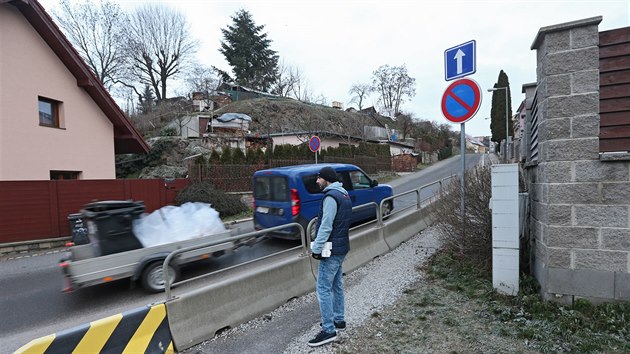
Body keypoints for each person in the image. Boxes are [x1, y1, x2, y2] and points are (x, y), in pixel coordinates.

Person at [308, 166, 352, 347]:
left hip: (331, 250)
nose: (317, 181)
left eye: (319, 178)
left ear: (326, 179)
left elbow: (326, 225)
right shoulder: (344, 194)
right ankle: (339, 320)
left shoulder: (331, 197)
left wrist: (316, 248)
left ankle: (328, 330)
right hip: (341, 247)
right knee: (336, 285)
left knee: (323, 289)